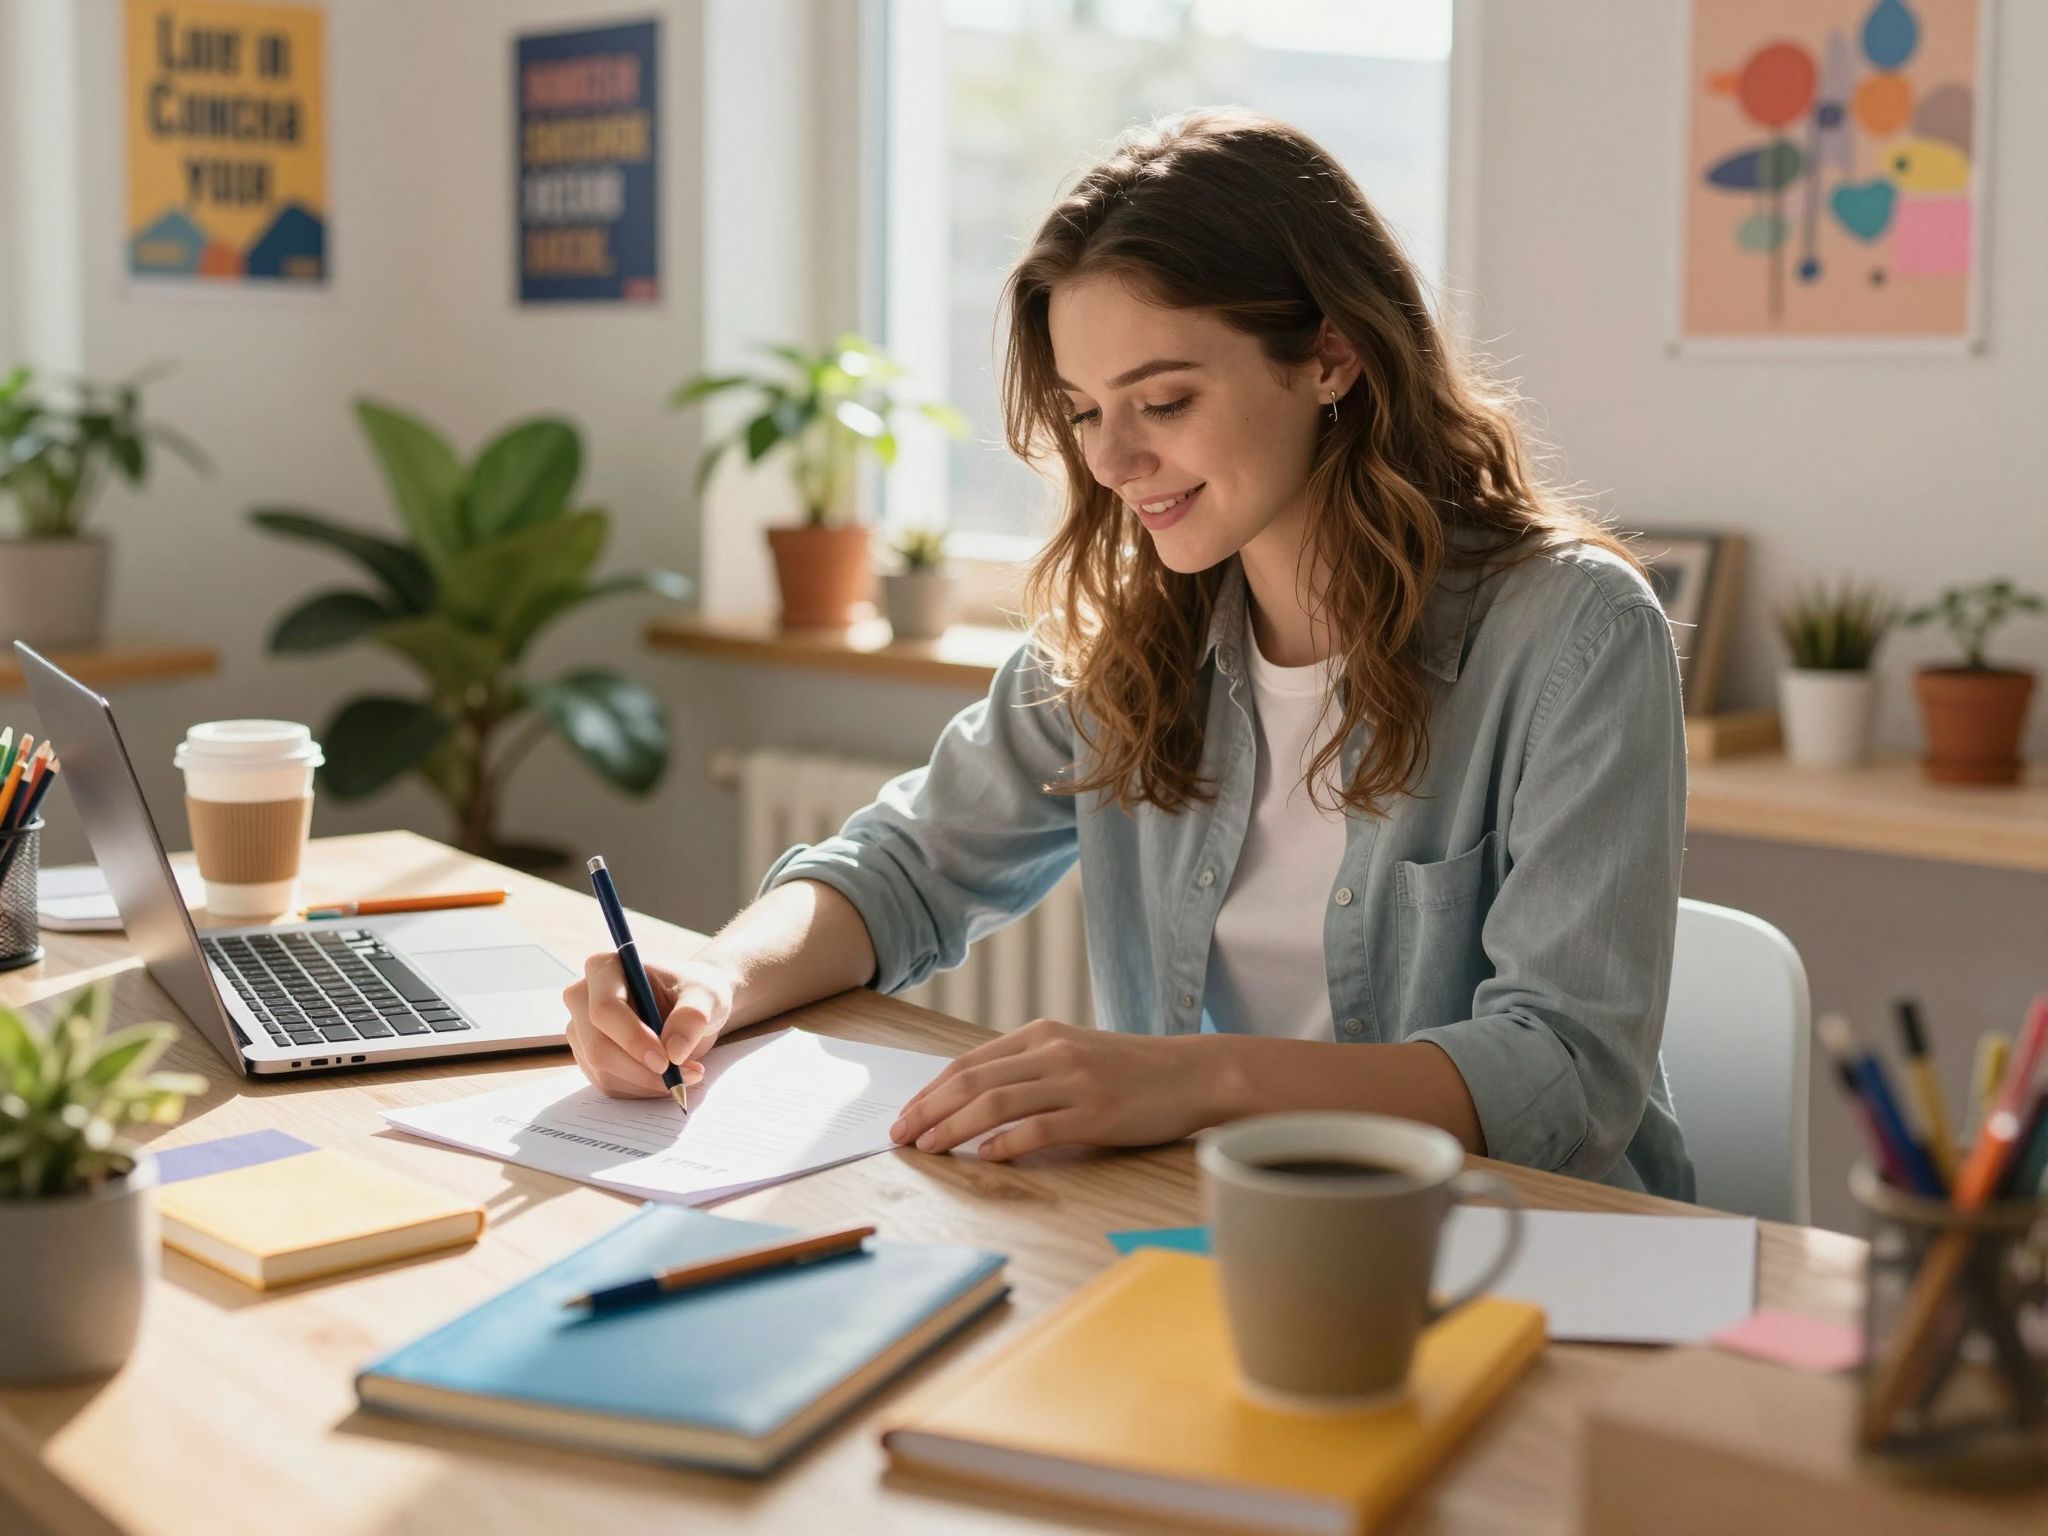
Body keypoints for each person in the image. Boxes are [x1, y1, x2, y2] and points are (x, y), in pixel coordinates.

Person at [564, 108, 1694, 1199]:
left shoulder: (1570, 635)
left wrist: (1195, 1081)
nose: (1111, 460)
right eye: (1083, 410)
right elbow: (903, 868)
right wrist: (714, 976)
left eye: (1161, 399)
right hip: (1206, 1229)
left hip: (1518, 1252)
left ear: (1332, 357)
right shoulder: (1124, 636)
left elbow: (1564, 1068)